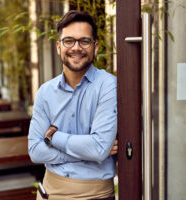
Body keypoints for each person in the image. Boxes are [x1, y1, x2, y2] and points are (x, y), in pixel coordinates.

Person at [28, 10, 118, 200]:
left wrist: (54, 138)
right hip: (50, 192)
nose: (76, 47)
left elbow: (99, 148)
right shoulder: (45, 91)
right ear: (59, 46)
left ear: (95, 46)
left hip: (95, 195)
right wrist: (86, 152)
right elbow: (35, 151)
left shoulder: (108, 85)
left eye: (84, 41)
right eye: (69, 41)